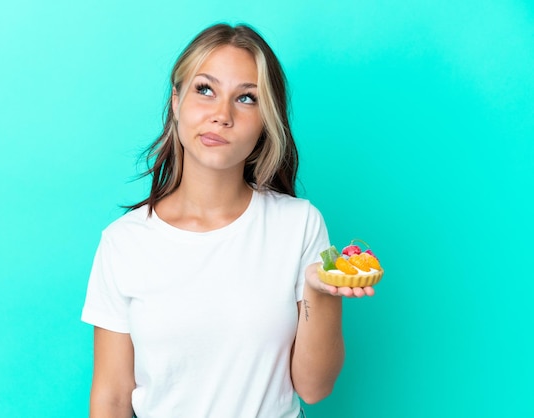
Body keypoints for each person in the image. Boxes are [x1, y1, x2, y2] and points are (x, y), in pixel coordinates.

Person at [81, 23, 374, 418]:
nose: (222, 115)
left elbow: (315, 387)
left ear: (267, 121)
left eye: (247, 99)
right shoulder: (124, 242)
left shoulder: (298, 224)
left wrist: (319, 292)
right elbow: (113, 399)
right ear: (176, 101)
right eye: (205, 90)